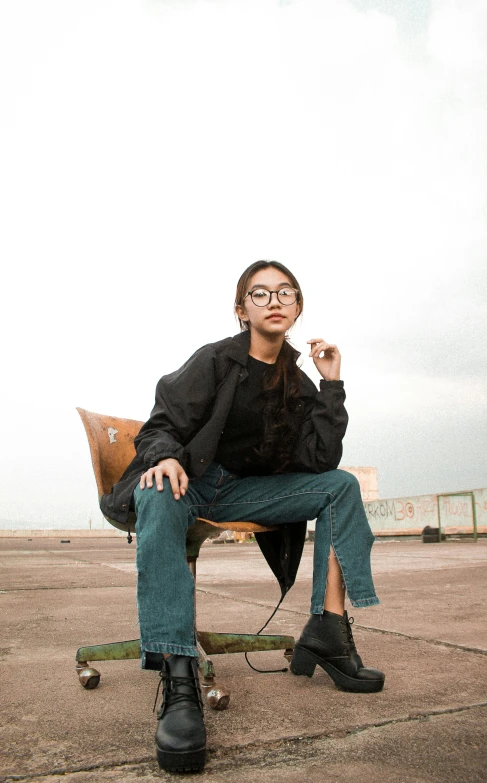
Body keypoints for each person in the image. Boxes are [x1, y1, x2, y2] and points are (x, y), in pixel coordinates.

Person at [101, 260, 384, 774]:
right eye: (260, 293)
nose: (274, 300)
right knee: (159, 490)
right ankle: (179, 674)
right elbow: (161, 423)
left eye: (285, 292)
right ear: (241, 310)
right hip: (187, 483)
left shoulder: (297, 382)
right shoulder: (214, 361)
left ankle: (328, 630)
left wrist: (331, 386)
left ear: (297, 307)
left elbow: (319, 461)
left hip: (244, 494)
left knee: (340, 486)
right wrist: (165, 457)